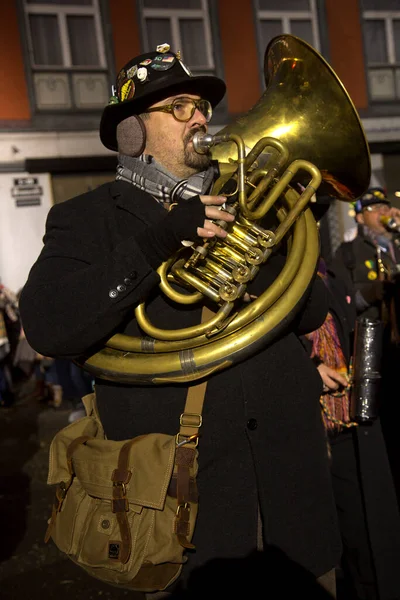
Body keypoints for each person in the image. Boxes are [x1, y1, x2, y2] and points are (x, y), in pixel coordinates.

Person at [19, 44, 342, 596]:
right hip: (183, 523)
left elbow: (307, 313)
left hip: (296, 509)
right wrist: (160, 240)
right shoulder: (85, 219)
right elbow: (50, 325)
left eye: (202, 107)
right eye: (181, 107)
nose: (202, 117)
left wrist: (293, 235)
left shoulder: (242, 204)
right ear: (132, 132)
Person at [301, 253, 400, 600]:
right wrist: (309, 370)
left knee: (362, 532)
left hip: (346, 424)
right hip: (306, 430)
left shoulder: (331, 271)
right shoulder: (275, 272)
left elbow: (347, 320)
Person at [330, 187, 400, 504]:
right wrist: (372, 293)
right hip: (374, 354)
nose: (384, 211)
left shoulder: (396, 245)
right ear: (360, 216)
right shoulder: (346, 254)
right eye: (376, 208)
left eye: (387, 206)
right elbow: (343, 307)